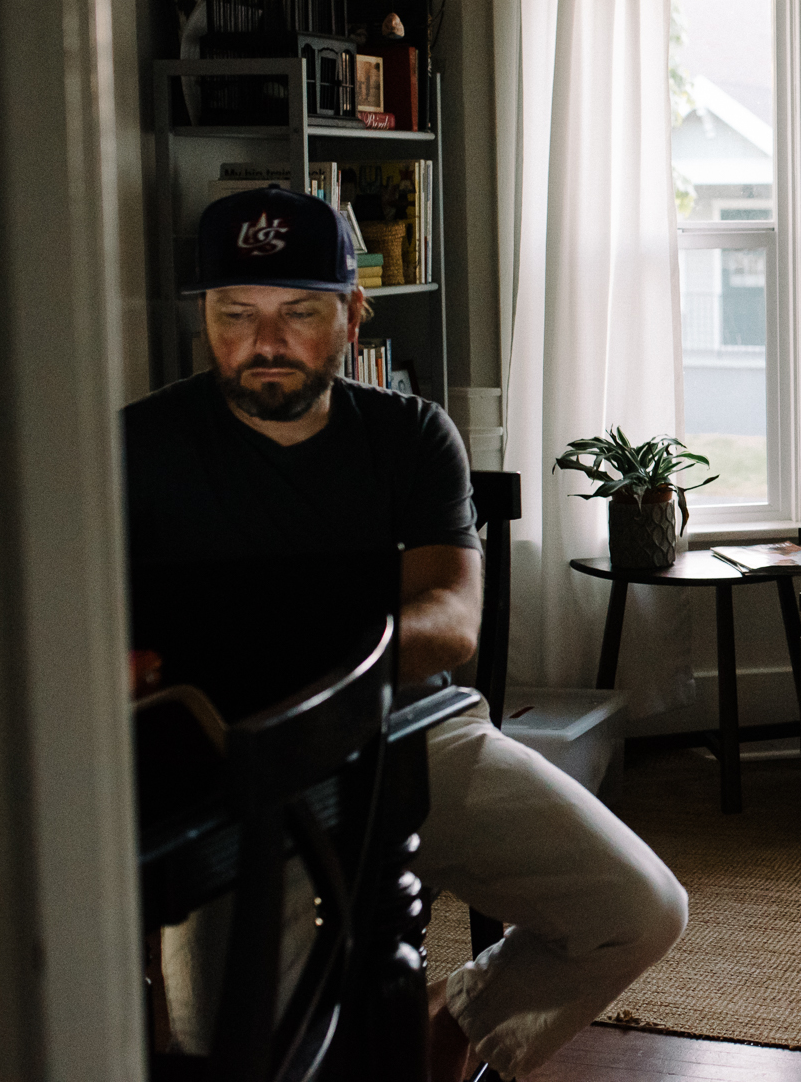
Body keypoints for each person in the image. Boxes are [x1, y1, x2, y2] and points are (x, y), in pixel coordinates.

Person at [125, 186, 686, 1082]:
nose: (264, 342)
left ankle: (456, 1024)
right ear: (205, 314)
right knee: (240, 1051)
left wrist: (260, 642)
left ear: (352, 313)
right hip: (227, 780)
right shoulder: (136, 448)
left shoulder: (410, 433)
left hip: (418, 735)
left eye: (298, 312)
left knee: (642, 907)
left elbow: (451, 621)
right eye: (236, 313)